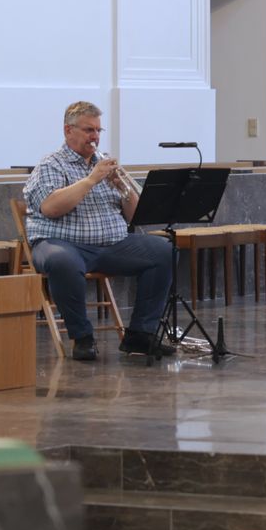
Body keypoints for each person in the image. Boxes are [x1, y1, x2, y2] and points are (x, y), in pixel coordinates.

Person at [24, 101, 174, 361]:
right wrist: (91, 179)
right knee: (62, 262)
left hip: (112, 244)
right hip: (62, 242)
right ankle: (82, 337)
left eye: (98, 131)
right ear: (68, 131)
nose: (94, 137)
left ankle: (140, 334)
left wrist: (120, 188)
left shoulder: (105, 165)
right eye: (88, 130)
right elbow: (50, 207)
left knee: (163, 251)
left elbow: (135, 216)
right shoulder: (52, 164)